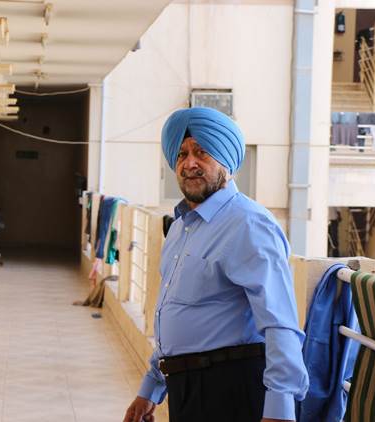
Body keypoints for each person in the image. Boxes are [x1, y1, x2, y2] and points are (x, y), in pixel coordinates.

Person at [123, 107, 308, 422]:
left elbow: (279, 322)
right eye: (181, 154)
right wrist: (150, 388)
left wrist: (280, 407)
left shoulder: (249, 223)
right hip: (186, 389)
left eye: (202, 152)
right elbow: (178, 314)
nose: (189, 163)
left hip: (231, 388)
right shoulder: (180, 228)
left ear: (227, 161)